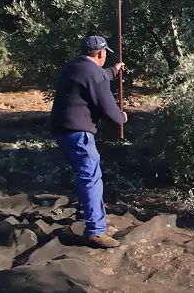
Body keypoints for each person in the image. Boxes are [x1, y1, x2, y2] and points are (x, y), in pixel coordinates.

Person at [50, 35, 127, 248]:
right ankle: (95, 231)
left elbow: (96, 77)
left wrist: (114, 70)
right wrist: (121, 118)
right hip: (78, 132)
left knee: (85, 175)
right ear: (101, 53)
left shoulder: (73, 67)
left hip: (61, 130)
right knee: (91, 177)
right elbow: (108, 108)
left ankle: (95, 219)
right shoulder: (94, 74)